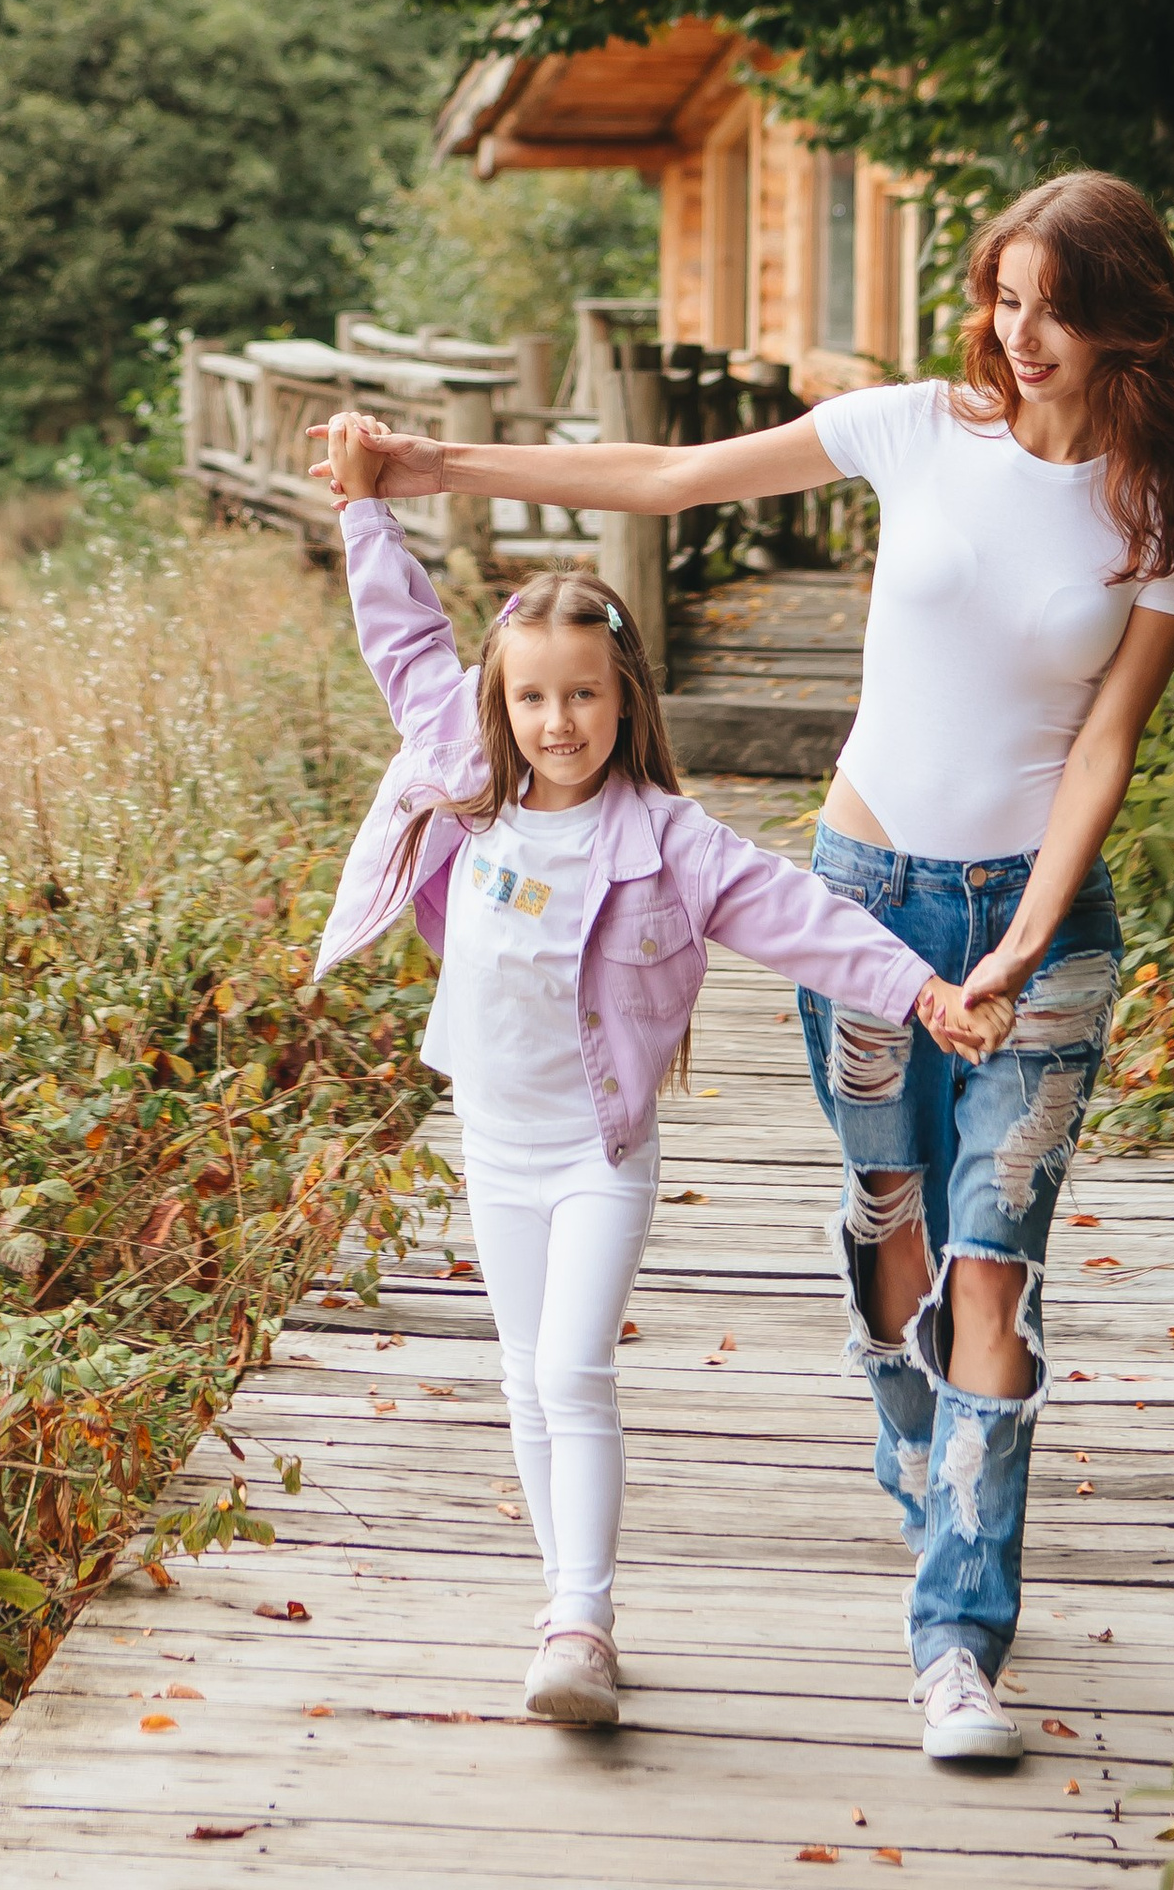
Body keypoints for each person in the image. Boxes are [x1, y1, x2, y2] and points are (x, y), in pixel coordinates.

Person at [314, 168, 1174, 1765]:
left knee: (995, 1271)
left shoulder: (1159, 508)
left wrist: (1033, 930)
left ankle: (957, 1647)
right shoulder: (915, 428)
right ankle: (921, 1448)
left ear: (1127, 318)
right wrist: (429, 465)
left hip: (1044, 929)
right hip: (871, 887)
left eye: (1057, 306)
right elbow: (669, 475)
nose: (1022, 332)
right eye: (1006, 296)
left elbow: (1104, 744)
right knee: (899, 1228)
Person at [312, 404, 1007, 1732]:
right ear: (500, 703)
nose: (556, 721)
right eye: (532, 697)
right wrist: (363, 507)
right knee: (526, 1379)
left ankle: (583, 1623)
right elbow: (401, 637)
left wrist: (922, 991)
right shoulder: (466, 774)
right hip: (490, 1138)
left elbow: (803, 918)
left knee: (572, 1370)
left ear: (624, 697)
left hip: (595, 1152)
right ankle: (563, 1605)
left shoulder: (670, 841)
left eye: (582, 694)